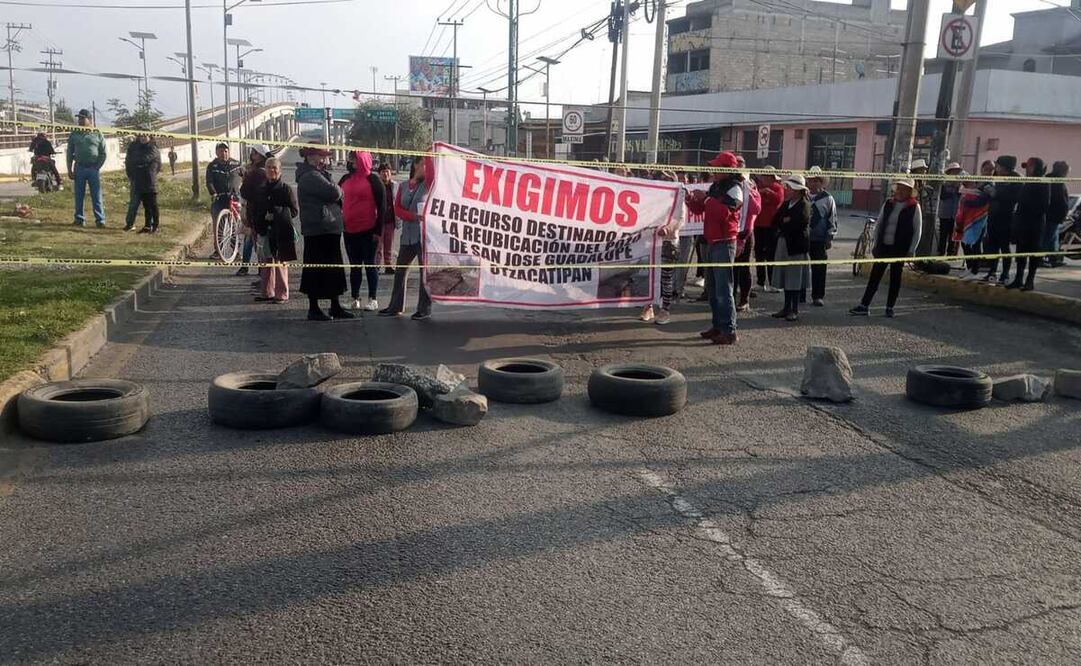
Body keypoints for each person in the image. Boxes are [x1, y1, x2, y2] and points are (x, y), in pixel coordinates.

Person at [685, 151, 743, 346]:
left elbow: (724, 213)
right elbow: (700, 210)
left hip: (725, 242)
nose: (714, 170)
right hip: (711, 241)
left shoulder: (735, 189)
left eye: (718, 167)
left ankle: (729, 330)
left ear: (728, 169)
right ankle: (718, 325)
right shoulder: (716, 186)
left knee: (723, 288)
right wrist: (691, 199)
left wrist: (707, 199)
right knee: (712, 287)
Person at [849, 178, 922, 318]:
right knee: (875, 276)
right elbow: (879, 223)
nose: (900, 191)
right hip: (884, 247)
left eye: (904, 189)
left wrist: (912, 250)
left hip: (900, 248)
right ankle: (864, 305)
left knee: (895, 278)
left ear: (909, 192)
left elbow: (917, 230)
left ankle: (890, 307)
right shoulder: (888, 203)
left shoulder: (914, 207)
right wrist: (875, 244)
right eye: (898, 188)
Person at [296, 144, 352, 321]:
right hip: (319, 228)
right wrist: (338, 189)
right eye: (323, 156)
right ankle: (314, 308)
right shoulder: (310, 176)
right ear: (312, 157)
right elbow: (334, 192)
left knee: (332, 268)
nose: (326, 160)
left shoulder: (318, 173)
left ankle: (335, 305)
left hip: (327, 227)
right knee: (317, 269)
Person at [379, 160, 431, 320]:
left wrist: (430, 152)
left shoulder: (429, 184)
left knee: (424, 273)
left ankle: (424, 309)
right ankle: (395, 306)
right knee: (400, 271)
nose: (426, 167)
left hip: (423, 236)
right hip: (407, 236)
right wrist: (414, 216)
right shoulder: (403, 186)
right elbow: (398, 210)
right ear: (415, 166)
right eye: (423, 164)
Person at [339, 150, 386, 311]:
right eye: (350, 159)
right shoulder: (345, 178)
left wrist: (378, 231)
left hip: (369, 230)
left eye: (354, 159)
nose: (351, 162)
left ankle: (373, 299)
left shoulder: (374, 180)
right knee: (354, 266)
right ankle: (354, 298)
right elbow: (337, 198)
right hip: (349, 230)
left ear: (362, 161)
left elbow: (382, 207)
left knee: (370, 265)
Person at [639, 170, 685, 325]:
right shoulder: (652, 201)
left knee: (666, 278)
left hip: (668, 243)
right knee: (649, 275)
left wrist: (668, 229)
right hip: (650, 244)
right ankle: (649, 306)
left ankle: (665, 309)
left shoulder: (678, 200)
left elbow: (680, 220)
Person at [256, 156, 298, 304]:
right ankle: (267, 292)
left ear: (279, 171)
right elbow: (256, 208)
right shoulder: (261, 189)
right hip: (264, 230)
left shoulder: (286, 189)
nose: (271, 170)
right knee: (266, 261)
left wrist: (275, 213)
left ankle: (282, 294)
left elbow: (294, 211)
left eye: (274, 168)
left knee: (280, 262)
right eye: (268, 167)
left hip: (281, 230)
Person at [771, 175, 811, 321]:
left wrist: (786, 221)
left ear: (797, 190)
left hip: (796, 247)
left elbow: (799, 223)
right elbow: (776, 220)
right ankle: (786, 307)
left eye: (790, 188)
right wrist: (785, 221)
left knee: (794, 279)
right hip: (784, 244)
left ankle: (794, 309)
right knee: (786, 277)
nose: (787, 190)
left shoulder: (804, 204)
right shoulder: (786, 204)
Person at [1007, 157, 1050, 291]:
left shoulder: (1043, 182)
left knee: (1033, 253)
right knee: (1021, 253)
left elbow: (1044, 205)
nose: (1027, 170)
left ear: (1037, 168)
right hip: (1022, 223)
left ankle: (1029, 280)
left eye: (1030, 166)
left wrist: (1027, 209)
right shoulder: (1026, 182)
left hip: (1035, 224)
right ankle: (1018, 279)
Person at [65, 108, 107, 228]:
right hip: (79, 168)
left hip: (93, 169)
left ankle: (100, 220)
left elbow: (103, 153)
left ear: (90, 119)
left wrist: (97, 166)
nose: (80, 120)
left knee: (96, 195)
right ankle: (79, 219)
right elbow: (69, 153)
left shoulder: (97, 133)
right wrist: (69, 169)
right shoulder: (74, 134)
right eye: (79, 118)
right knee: (79, 195)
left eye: (83, 118)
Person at [983, 155, 1021, 284]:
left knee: (1004, 247)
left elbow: (1012, 198)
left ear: (1005, 167)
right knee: (992, 246)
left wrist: (996, 193)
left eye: (998, 165)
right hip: (993, 216)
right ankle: (991, 272)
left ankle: (1005, 274)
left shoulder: (1016, 180)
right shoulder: (996, 176)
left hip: (1007, 217)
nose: (996, 168)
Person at [237, 144, 273, 277]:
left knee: (253, 239)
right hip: (262, 210)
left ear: (261, 155)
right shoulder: (266, 169)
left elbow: (246, 191)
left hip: (255, 210)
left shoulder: (257, 172)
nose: (252, 155)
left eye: (254, 153)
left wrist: (245, 178)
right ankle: (259, 269)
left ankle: (248, 267)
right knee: (255, 239)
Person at [805, 167, 837, 306]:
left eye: (816, 180)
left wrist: (830, 236)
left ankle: (818, 295)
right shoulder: (803, 195)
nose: (813, 183)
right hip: (803, 238)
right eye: (811, 180)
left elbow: (832, 218)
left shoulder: (828, 198)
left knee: (819, 269)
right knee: (801, 268)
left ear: (821, 182)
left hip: (819, 238)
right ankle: (799, 294)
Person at [205, 142, 243, 255]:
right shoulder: (212, 166)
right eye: (221, 151)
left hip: (234, 198)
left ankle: (235, 250)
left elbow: (246, 177)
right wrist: (213, 193)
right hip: (220, 198)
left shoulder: (237, 164)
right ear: (217, 152)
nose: (224, 153)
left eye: (226, 151)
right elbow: (209, 182)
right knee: (219, 226)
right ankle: (218, 250)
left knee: (235, 225)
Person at [734, 160, 761, 312]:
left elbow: (756, 209)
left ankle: (744, 300)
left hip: (745, 233)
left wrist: (748, 190)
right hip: (730, 233)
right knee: (731, 269)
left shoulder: (751, 186)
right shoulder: (729, 186)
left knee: (743, 268)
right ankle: (730, 297)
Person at [953, 172, 991, 280]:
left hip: (977, 221)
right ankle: (970, 267)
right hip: (965, 221)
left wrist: (967, 202)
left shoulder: (982, 189)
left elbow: (981, 204)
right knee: (965, 244)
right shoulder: (963, 190)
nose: (965, 182)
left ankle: (975, 269)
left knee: (975, 245)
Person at [123, 129, 162, 233]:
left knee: (153, 205)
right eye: (141, 136)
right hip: (139, 181)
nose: (143, 137)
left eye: (145, 135)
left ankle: (156, 226)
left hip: (149, 181)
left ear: (150, 136)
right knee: (146, 206)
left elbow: (144, 160)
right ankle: (147, 226)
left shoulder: (153, 148)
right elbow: (130, 161)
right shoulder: (136, 147)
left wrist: (136, 162)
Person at [753, 167, 784, 293]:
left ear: (772, 178)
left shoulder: (778, 188)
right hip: (759, 225)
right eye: (764, 176)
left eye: (768, 177)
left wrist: (769, 192)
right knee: (759, 254)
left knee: (772, 255)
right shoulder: (758, 187)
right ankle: (761, 282)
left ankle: (773, 283)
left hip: (772, 226)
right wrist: (761, 192)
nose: (765, 179)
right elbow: (754, 198)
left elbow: (779, 200)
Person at [909, 158, 936, 255]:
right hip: (911, 212)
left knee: (918, 234)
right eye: (922, 170)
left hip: (920, 212)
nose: (924, 172)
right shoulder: (911, 181)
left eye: (925, 170)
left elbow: (924, 197)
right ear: (916, 171)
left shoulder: (922, 183)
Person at [1046, 161, 1070, 268]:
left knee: (1053, 238)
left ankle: (1053, 258)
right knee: (1049, 237)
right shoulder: (1056, 182)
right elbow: (1060, 200)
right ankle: (1042, 258)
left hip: (1053, 215)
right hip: (1052, 215)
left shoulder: (1051, 180)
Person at [937, 162, 963, 256]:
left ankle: (950, 253)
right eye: (954, 171)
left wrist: (957, 188)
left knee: (953, 235)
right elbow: (943, 196)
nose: (955, 174)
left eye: (957, 172)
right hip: (945, 213)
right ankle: (941, 252)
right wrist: (952, 188)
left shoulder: (960, 185)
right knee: (943, 234)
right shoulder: (944, 184)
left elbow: (962, 196)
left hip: (955, 213)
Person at [378, 162, 397, 275]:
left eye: (387, 171)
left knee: (389, 244)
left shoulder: (395, 186)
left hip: (391, 220)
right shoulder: (377, 185)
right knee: (378, 246)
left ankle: (388, 265)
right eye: (383, 172)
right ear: (379, 174)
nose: (385, 174)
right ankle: (377, 266)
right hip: (379, 221)